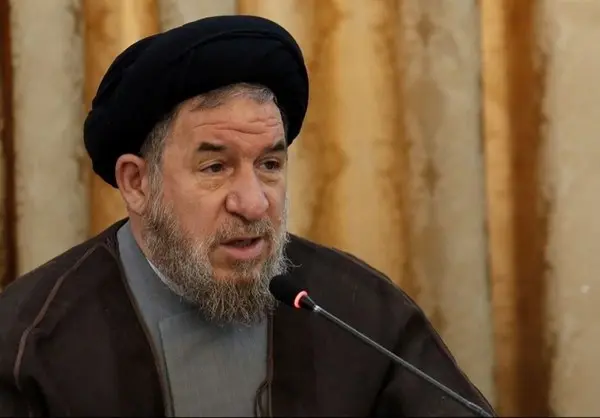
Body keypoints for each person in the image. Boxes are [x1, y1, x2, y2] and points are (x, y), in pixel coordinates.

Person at [0, 15, 495, 417]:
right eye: (215, 168)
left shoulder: (359, 310)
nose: (254, 203)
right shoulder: (30, 341)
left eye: (270, 165)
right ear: (136, 182)